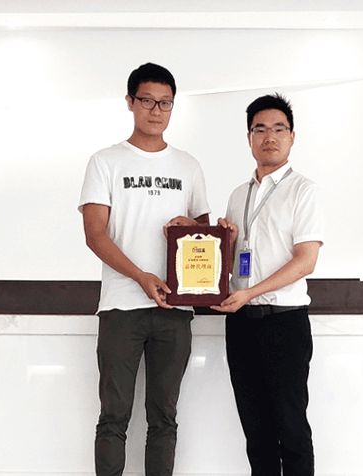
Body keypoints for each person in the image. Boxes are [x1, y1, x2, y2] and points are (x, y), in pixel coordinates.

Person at [78, 62, 210, 476]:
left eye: (165, 103)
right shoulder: (105, 161)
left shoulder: (188, 165)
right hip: (121, 306)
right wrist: (141, 277)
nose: (156, 110)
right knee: (113, 417)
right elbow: (95, 235)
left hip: (175, 309)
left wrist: (189, 226)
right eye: (148, 101)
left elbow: (205, 239)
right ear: (130, 102)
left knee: (164, 419)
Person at [212, 93, 323, 476]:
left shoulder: (304, 190)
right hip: (241, 325)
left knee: (291, 429)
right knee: (255, 432)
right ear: (249, 138)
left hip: (284, 322)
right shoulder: (238, 195)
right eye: (260, 129)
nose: (269, 137)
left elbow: (306, 260)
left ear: (292, 136)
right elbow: (231, 265)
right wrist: (224, 242)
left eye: (278, 129)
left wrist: (250, 293)